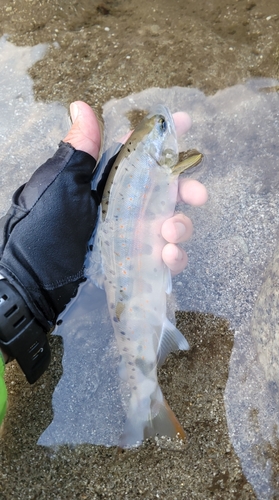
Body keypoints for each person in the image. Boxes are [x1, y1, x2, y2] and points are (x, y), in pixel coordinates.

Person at [0, 101, 208, 427]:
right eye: (162, 130)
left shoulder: (154, 168)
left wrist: (23, 283)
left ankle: (145, 398)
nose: (165, 126)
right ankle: (146, 401)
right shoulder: (163, 168)